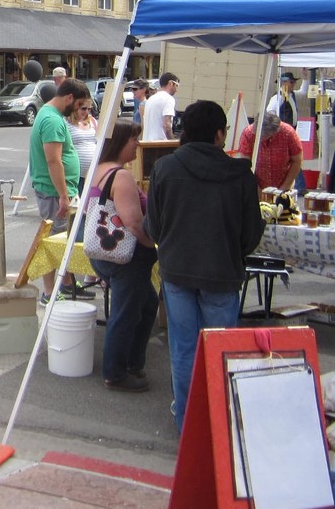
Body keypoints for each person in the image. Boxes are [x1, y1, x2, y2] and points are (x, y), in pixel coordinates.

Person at [144, 99, 264, 432]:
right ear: (219, 133)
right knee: (222, 349)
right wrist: (233, 255)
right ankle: (219, 422)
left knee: (183, 349)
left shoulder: (165, 168)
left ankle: (188, 423)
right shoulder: (240, 174)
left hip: (177, 270)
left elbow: (153, 226)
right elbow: (251, 232)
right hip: (222, 274)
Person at [87, 121, 158, 393]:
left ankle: (131, 362)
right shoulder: (121, 176)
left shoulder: (98, 171)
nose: (138, 145)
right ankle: (116, 372)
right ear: (119, 143)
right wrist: (151, 244)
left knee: (146, 304)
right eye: (133, 140)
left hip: (105, 254)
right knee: (126, 313)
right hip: (126, 256)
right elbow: (134, 223)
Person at [30, 77, 92, 299]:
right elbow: (53, 161)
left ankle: (64, 285)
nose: (78, 111)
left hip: (56, 191)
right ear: (69, 98)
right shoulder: (54, 121)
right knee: (51, 243)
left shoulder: (49, 115)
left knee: (64, 241)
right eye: (78, 105)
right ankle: (50, 293)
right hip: (54, 192)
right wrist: (64, 196)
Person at [236, 112, 303, 190]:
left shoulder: (288, 133)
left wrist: (285, 187)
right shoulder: (248, 133)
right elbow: (245, 165)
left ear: (274, 132)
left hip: (284, 183)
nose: (261, 138)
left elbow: (297, 160)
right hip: (256, 184)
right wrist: (255, 187)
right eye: (259, 135)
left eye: (264, 136)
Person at [66, 97, 98, 189]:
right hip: (76, 176)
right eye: (83, 108)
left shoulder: (92, 121)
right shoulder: (66, 123)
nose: (86, 112)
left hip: (93, 174)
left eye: (89, 109)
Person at [142, 72, 178, 140]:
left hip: (146, 142)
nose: (176, 90)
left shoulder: (151, 99)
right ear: (170, 83)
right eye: (176, 85)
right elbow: (167, 124)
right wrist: (172, 142)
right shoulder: (169, 99)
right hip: (159, 144)